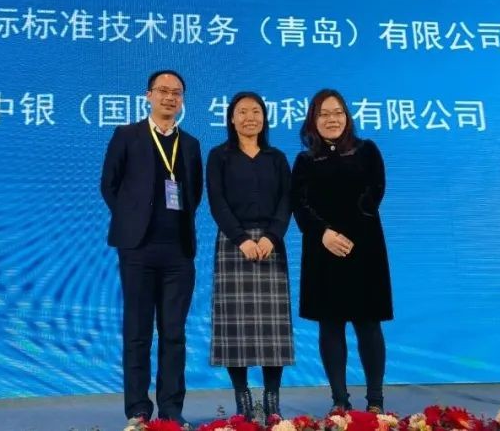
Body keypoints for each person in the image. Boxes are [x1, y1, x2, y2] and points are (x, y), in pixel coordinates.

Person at [100, 70, 203, 425]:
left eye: (177, 92)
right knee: (138, 333)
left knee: (174, 334)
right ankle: (138, 411)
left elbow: (194, 193)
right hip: (138, 250)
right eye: (163, 91)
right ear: (148, 96)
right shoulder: (127, 135)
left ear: (182, 100)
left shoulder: (190, 144)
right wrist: (131, 218)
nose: (170, 97)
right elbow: (109, 184)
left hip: (178, 252)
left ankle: (171, 411)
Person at [291, 88, 393, 413]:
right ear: (313, 120)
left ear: (347, 117)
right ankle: (339, 401)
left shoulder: (366, 150)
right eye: (323, 114)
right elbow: (298, 204)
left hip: (365, 249)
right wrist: (323, 233)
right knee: (330, 325)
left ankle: (375, 401)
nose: (331, 119)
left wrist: (351, 231)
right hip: (323, 250)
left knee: (368, 324)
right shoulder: (305, 161)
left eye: (337, 113)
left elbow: (375, 191)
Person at [206, 91, 294, 421]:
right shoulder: (219, 156)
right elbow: (217, 202)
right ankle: (242, 397)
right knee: (235, 327)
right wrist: (241, 239)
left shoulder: (277, 158)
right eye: (242, 112)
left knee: (274, 329)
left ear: (264, 117)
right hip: (234, 243)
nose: (249, 118)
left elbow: (287, 200)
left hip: (271, 244)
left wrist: (273, 236)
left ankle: (272, 398)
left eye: (255, 111)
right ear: (231, 118)